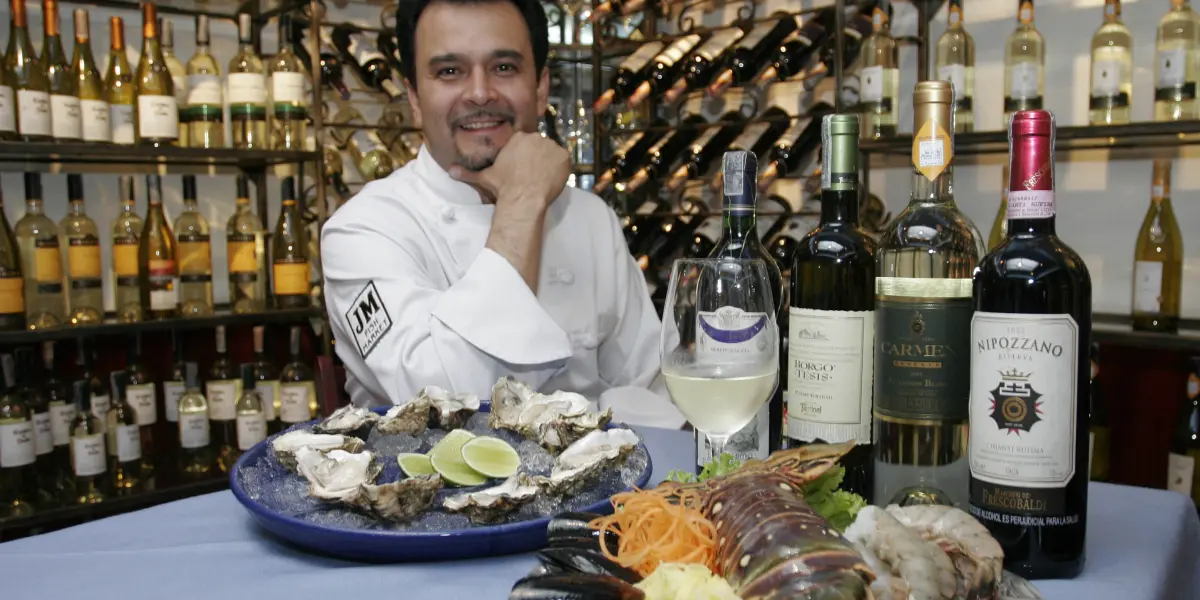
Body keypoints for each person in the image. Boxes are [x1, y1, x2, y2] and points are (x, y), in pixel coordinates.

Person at [319, 0, 685, 428]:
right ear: (414, 98)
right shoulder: (362, 231)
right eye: (449, 71)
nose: (479, 93)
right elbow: (442, 407)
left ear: (540, 88)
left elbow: (653, 391)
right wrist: (523, 199)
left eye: (504, 67)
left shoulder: (590, 220)